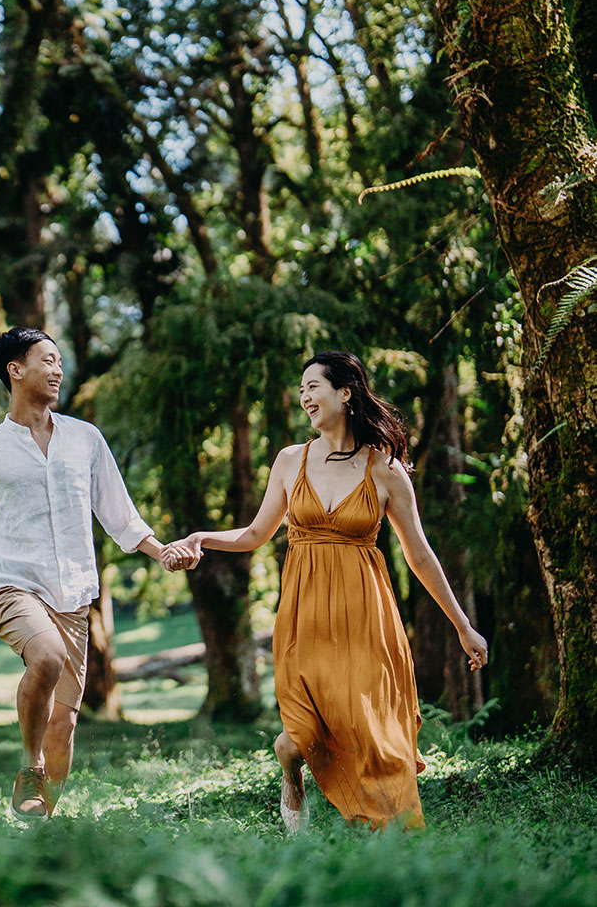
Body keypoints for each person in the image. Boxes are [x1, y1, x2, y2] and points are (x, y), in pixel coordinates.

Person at [163, 350, 488, 832]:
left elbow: (419, 555)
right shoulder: (291, 460)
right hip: (304, 617)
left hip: (366, 619)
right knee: (299, 735)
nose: (304, 398)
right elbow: (255, 534)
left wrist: (463, 626)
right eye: (300, 390)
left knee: (371, 728)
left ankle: (388, 835)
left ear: (345, 392)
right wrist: (200, 538)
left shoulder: (386, 470)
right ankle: (291, 771)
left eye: (313, 386)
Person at [0, 327, 198, 820]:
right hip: (9, 584)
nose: (58, 370)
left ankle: (40, 818)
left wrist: (160, 552)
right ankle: (27, 768)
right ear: (16, 369)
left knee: (64, 726)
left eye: (59, 361)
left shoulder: (84, 439)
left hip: (72, 592)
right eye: (48, 360)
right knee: (47, 657)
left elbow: (118, 513)